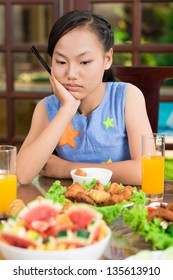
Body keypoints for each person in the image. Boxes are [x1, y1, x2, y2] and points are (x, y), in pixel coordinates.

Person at [17, 10, 152, 185]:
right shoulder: (46, 108)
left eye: (85, 62)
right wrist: (67, 109)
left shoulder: (128, 97)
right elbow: (22, 174)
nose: (71, 74)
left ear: (107, 59)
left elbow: (146, 171)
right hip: (68, 206)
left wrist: (68, 169)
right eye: (61, 62)